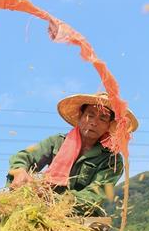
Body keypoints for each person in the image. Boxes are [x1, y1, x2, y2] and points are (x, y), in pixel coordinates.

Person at [7, 92, 138, 216]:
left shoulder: (112, 160)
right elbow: (25, 156)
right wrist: (20, 171)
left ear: (109, 125)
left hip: (80, 216)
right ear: (80, 116)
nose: (94, 122)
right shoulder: (57, 142)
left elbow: (93, 196)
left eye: (102, 118)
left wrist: (51, 199)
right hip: (40, 207)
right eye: (90, 115)